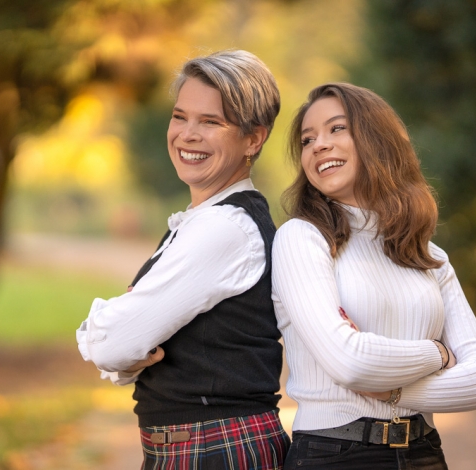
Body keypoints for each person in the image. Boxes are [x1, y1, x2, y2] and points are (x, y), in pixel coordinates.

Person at [76, 50, 289, 469]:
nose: (187, 134)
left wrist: (108, 330)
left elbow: (112, 345)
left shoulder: (224, 229)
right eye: (180, 117)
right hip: (200, 446)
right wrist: (126, 338)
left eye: (211, 122)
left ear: (254, 138)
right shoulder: (203, 222)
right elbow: (124, 350)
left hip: (215, 449)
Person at [272, 82, 476, 469]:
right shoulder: (302, 239)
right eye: (307, 139)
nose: (318, 145)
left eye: (336, 129)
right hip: (335, 456)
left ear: (377, 140)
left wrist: (394, 392)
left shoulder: (428, 256)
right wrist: (440, 353)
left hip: (424, 453)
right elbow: (349, 362)